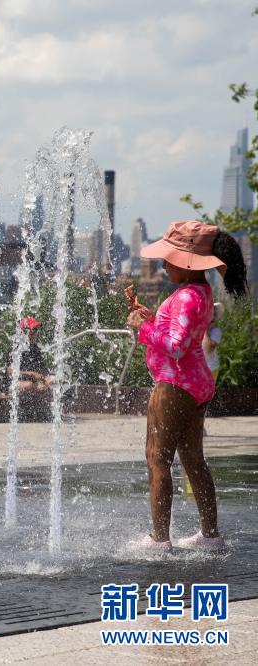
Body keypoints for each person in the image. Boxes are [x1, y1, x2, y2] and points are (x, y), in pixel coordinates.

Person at [125, 221, 248, 552]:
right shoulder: (201, 293)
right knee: (193, 459)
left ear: (187, 262)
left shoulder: (186, 297)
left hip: (175, 384)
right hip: (197, 382)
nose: (164, 265)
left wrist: (143, 329)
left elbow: (177, 347)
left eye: (170, 259)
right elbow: (183, 335)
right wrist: (151, 319)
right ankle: (209, 536)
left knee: (157, 458)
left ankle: (159, 539)